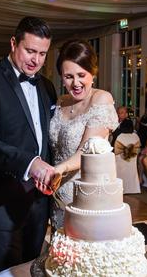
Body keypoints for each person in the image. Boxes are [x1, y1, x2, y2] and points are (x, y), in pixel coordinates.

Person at [0, 16, 57, 275]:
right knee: (6, 272)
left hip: (39, 203)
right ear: (13, 43)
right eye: (30, 50)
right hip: (1, 200)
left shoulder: (46, 85)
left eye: (42, 54)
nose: (36, 60)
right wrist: (31, 164)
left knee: (33, 269)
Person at [49, 39, 118, 231]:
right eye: (68, 76)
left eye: (81, 75)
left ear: (92, 73)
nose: (76, 83)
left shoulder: (101, 99)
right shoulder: (61, 101)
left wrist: (58, 169)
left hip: (85, 197)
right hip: (56, 194)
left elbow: (86, 150)